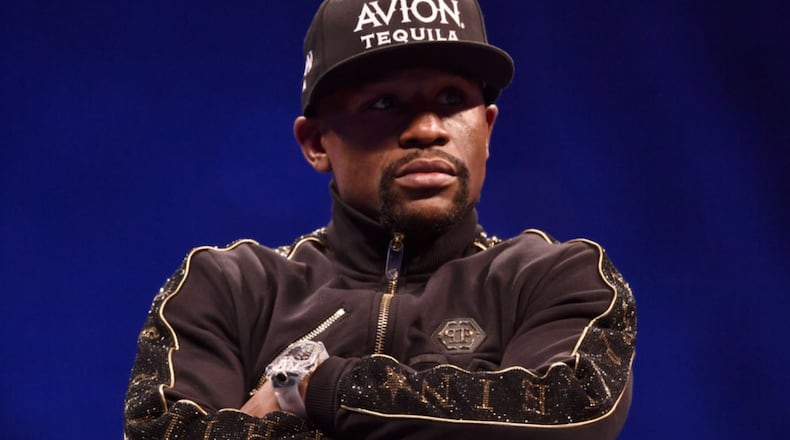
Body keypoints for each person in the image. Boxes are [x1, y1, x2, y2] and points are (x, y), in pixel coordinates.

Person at [124, 0, 637, 439]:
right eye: (385, 102)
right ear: (315, 142)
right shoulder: (228, 287)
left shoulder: (555, 277)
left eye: (452, 99)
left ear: (487, 128)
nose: (429, 129)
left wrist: (314, 388)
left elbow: (570, 408)